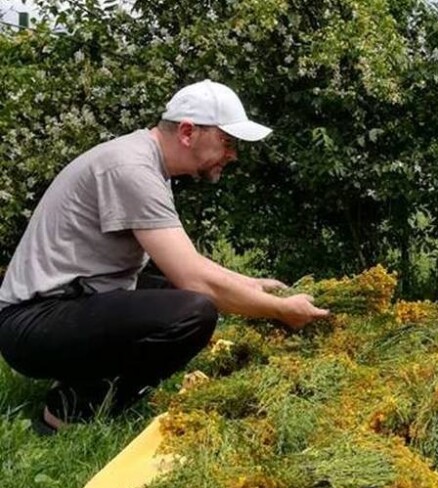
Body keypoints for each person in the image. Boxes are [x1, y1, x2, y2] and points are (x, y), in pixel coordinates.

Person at [0, 80, 329, 433]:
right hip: (32, 322)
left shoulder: (144, 161)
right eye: (227, 141)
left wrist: (251, 285)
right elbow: (195, 278)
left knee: (178, 296)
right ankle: (70, 411)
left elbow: (185, 263)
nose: (233, 154)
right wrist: (281, 310)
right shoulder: (132, 169)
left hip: (61, 303)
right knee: (193, 312)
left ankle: (82, 374)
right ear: (187, 132)